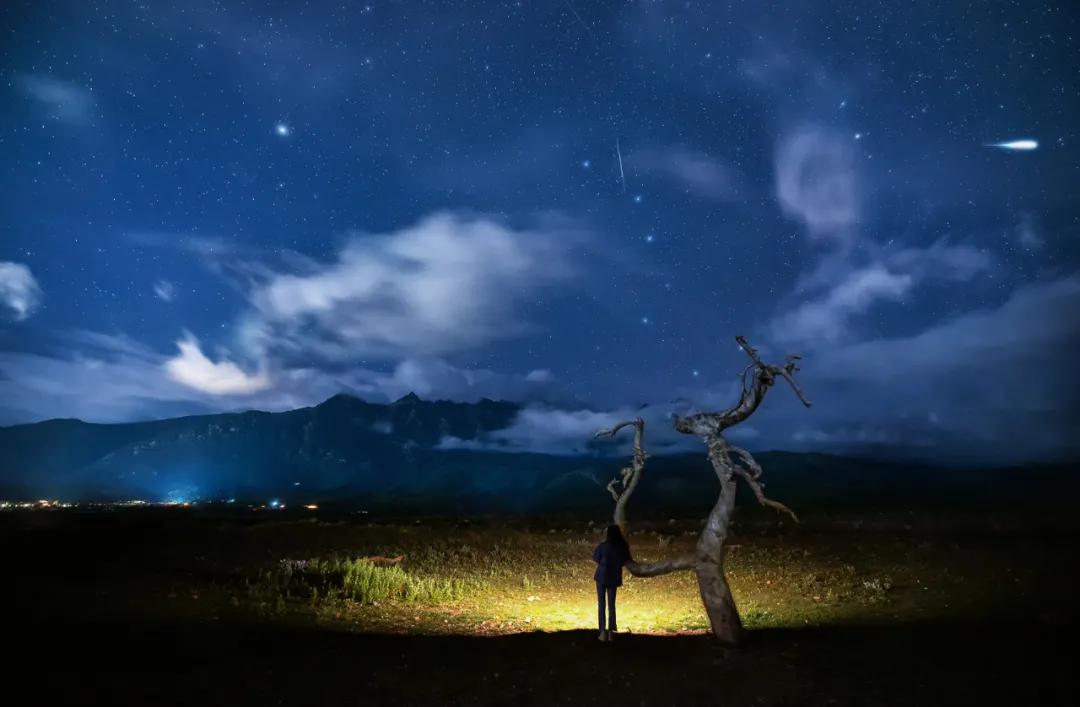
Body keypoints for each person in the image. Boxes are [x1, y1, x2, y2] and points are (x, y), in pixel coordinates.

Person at [592, 524, 632, 642]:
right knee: (611, 605)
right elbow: (625, 560)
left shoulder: (603, 546)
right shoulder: (622, 547)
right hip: (613, 578)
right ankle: (610, 632)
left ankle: (602, 632)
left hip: (601, 577)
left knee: (601, 605)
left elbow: (596, 558)